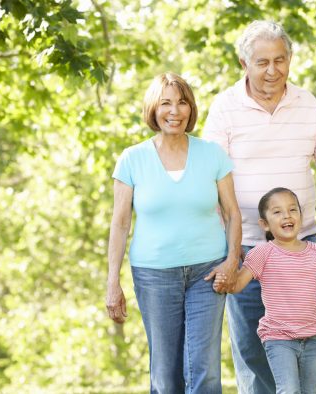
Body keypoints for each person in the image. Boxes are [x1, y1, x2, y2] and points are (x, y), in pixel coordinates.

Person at [203, 20, 316, 394]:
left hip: (299, 243)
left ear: (290, 60)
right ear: (244, 63)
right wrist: (229, 247)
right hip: (247, 244)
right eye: (262, 62)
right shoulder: (224, 107)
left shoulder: (307, 103)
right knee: (253, 346)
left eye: (280, 60)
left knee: (301, 340)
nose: (273, 71)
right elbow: (211, 179)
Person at [105, 72, 242, 392]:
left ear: (191, 109)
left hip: (208, 271)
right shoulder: (132, 159)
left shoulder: (212, 155)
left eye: (182, 103)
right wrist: (113, 281)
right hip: (154, 274)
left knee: (204, 368)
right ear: (153, 109)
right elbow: (120, 223)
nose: (175, 111)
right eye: (165, 103)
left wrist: (231, 260)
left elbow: (233, 213)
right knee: (166, 373)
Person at [215, 187, 316, 394]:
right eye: (277, 212)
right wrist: (224, 280)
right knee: (288, 390)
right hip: (278, 337)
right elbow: (238, 286)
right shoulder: (262, 253)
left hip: (313, 337)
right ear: (264, 224)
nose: (286, 216)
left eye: (292, 210)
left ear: (301, 216)